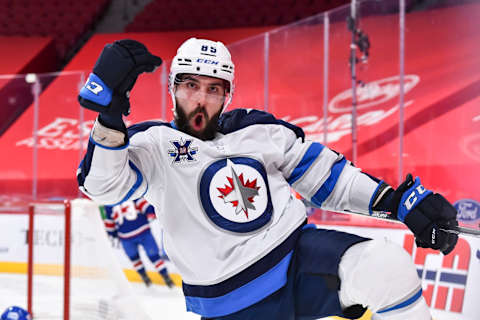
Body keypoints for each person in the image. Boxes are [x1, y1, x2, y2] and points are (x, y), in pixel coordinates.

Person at [76, 38, 459, 320]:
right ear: (174, 88)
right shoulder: (153, 143)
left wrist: (396, 201)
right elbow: (102, 186)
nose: (201, 99)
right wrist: (109, 120)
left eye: (213, 89)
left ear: (227, 95)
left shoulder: (259, 129)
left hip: (299, 258)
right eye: (191, 85)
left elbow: (329, 178)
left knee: (385, 265)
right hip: (230, 301)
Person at [101, 197, 174, 288]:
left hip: (127, 237)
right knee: (152, 256)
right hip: (142, 231)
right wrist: (151, 212)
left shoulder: (108, 202)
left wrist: (112, 235)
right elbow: (145, 205)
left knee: (136, 258)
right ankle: (165, 277)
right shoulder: (131, 194)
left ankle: (147, 278)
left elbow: (109, 222)